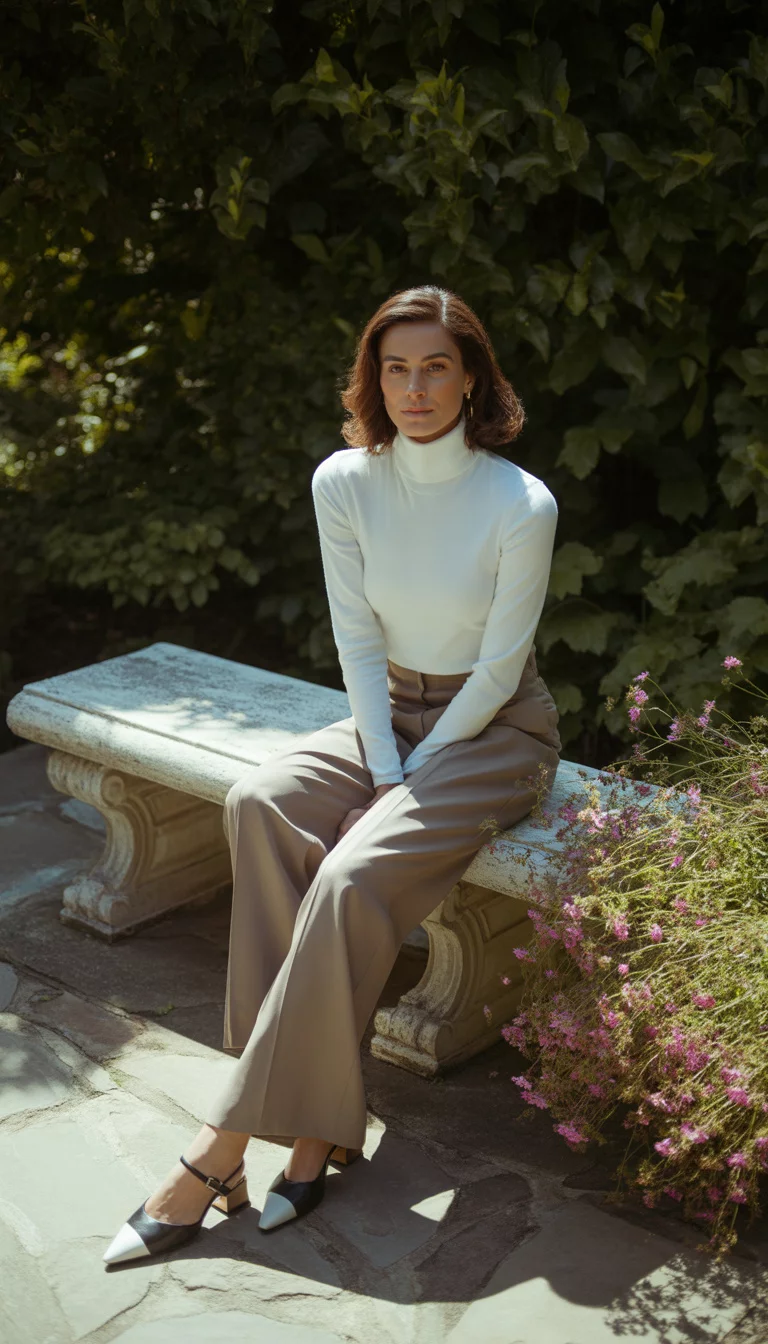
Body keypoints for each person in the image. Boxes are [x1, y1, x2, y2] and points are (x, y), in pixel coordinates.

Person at [102, 283, 562, 1265]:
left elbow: (494, 668)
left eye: (437, 365)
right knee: (260, 802)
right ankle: (316, 1124)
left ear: (473, 376)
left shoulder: (522, 502)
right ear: (374, 377)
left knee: (353, 872)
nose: (415, 386)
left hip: (496, 731)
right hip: (383, 709)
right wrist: (385, 756)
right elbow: (356, 636)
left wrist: (414, 773)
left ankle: (221, 1147)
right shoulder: (343, 482)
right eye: (396, 367)